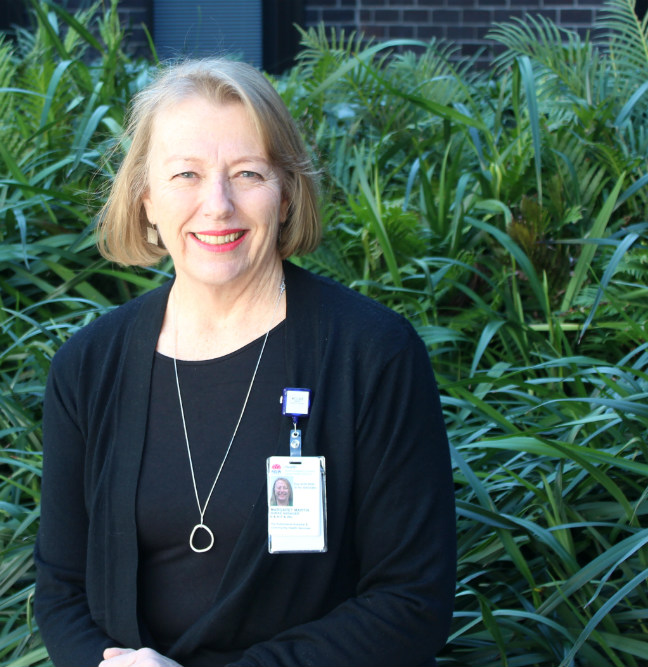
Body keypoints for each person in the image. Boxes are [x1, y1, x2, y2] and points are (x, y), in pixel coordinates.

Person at [34, 58, 455, 667]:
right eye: (185, 174)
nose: (217, 204)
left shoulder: (372, 355)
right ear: (145, 200)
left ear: (285, 194)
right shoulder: (87, 367)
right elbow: (61, 590)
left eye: (248, 174)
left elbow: (412, 601)